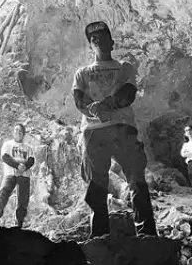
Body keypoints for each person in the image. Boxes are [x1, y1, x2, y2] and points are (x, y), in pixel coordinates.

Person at [73, 21, 157, 238]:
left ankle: (146, 232)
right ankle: (100, 235)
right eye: (93, 38)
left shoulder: (125, 67)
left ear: (112, 42)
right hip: (94, 131)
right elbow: (79, 101)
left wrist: (105, 105)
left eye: (102, 37)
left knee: (136, 179)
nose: (97, 40)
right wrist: (94, 109)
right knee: (96, 184)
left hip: (122, 128)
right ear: (90, 46)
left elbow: (128, 94)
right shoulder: (82, 73)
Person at [0, 123, 35, 228]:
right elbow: (5, 157)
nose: (18, 132)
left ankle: (19, 223)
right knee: (3, 192)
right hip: (10, 173)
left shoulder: (28, 148)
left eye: (20, 131)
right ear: (13, 132)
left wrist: (24, 167)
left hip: (24, 175)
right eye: (16, 130)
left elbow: (31, 160)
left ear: (23, 134)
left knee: (23, 199)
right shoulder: (7, 144)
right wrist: (17, 166)